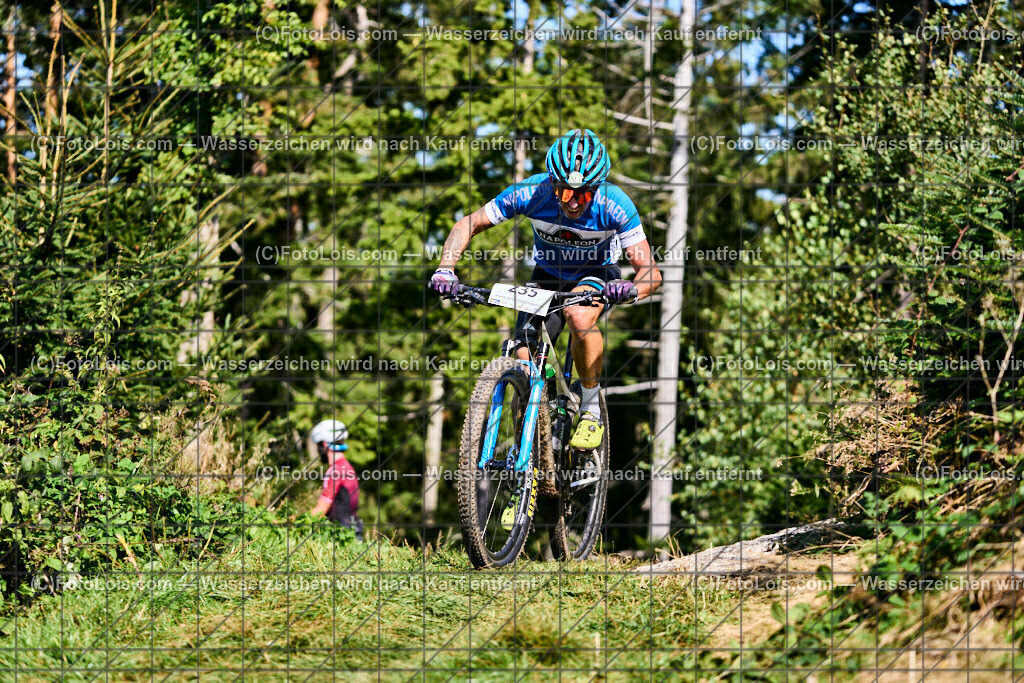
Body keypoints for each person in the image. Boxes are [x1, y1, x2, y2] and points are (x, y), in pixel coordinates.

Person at [429, 128, 662, 449]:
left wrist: (631, 290)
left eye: (585, 194)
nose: (576, 203)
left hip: (596, 274)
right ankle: (547, 398)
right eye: (566, 193)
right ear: (553, 184)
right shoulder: (530, 192)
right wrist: (445, 268)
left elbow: (650, 272)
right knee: (522, 350)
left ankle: (591, 408)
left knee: (578, 317)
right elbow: (468, 223)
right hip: (548, 274)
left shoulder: (616, 204)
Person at [308, 419, 364, 539]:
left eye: (318, 445)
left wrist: (292, 521)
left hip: (343, 534)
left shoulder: (336, 471)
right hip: (352, 531)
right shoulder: (346, 466)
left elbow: (320, 511)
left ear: (324, 445)